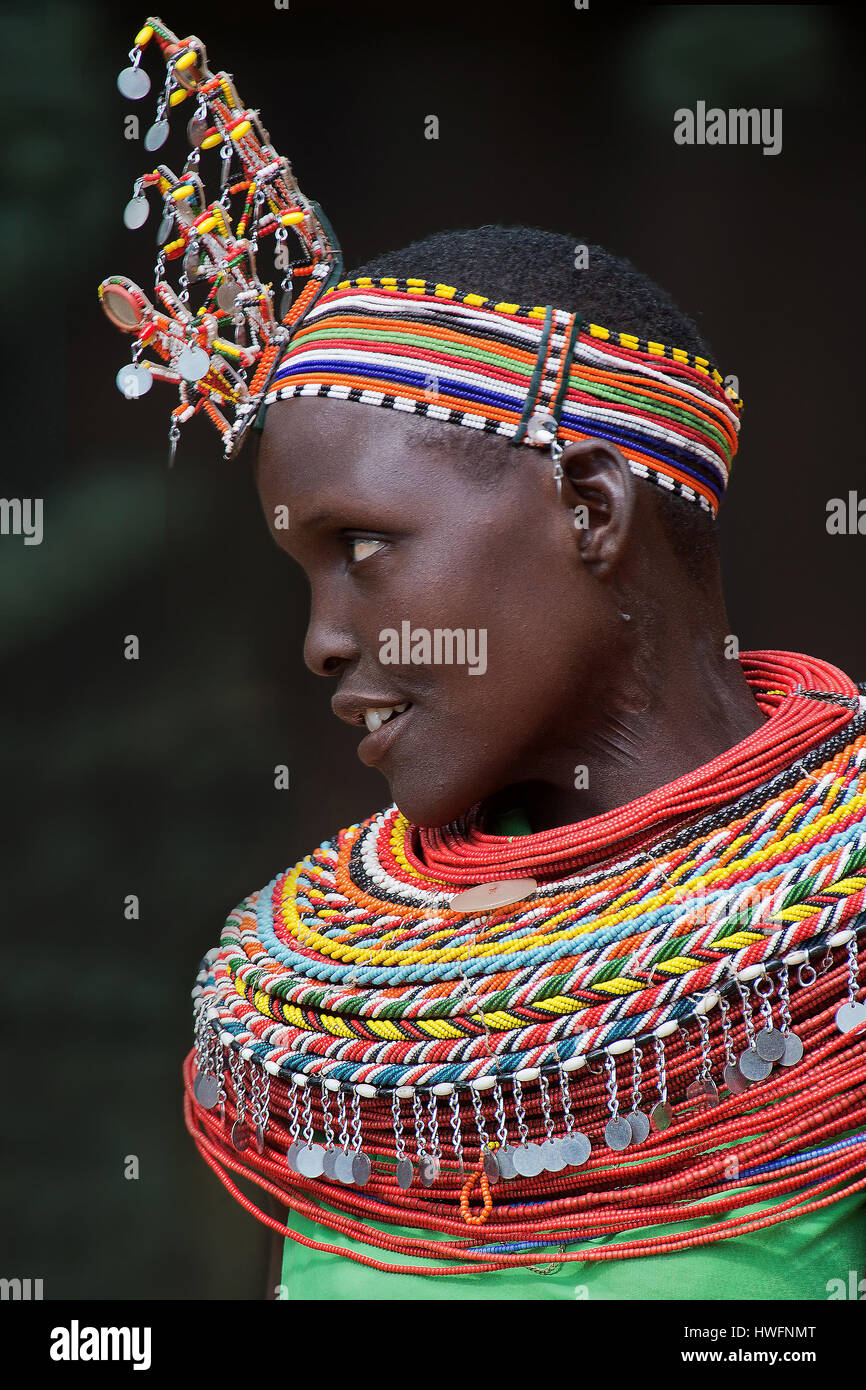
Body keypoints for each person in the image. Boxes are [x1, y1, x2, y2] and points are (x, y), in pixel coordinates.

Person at [100, 20, 865, 1301]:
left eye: (364, 548)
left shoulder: (834, 939)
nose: (324, 639)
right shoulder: (324, 1013)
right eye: (305, 572)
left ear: (589, 512)